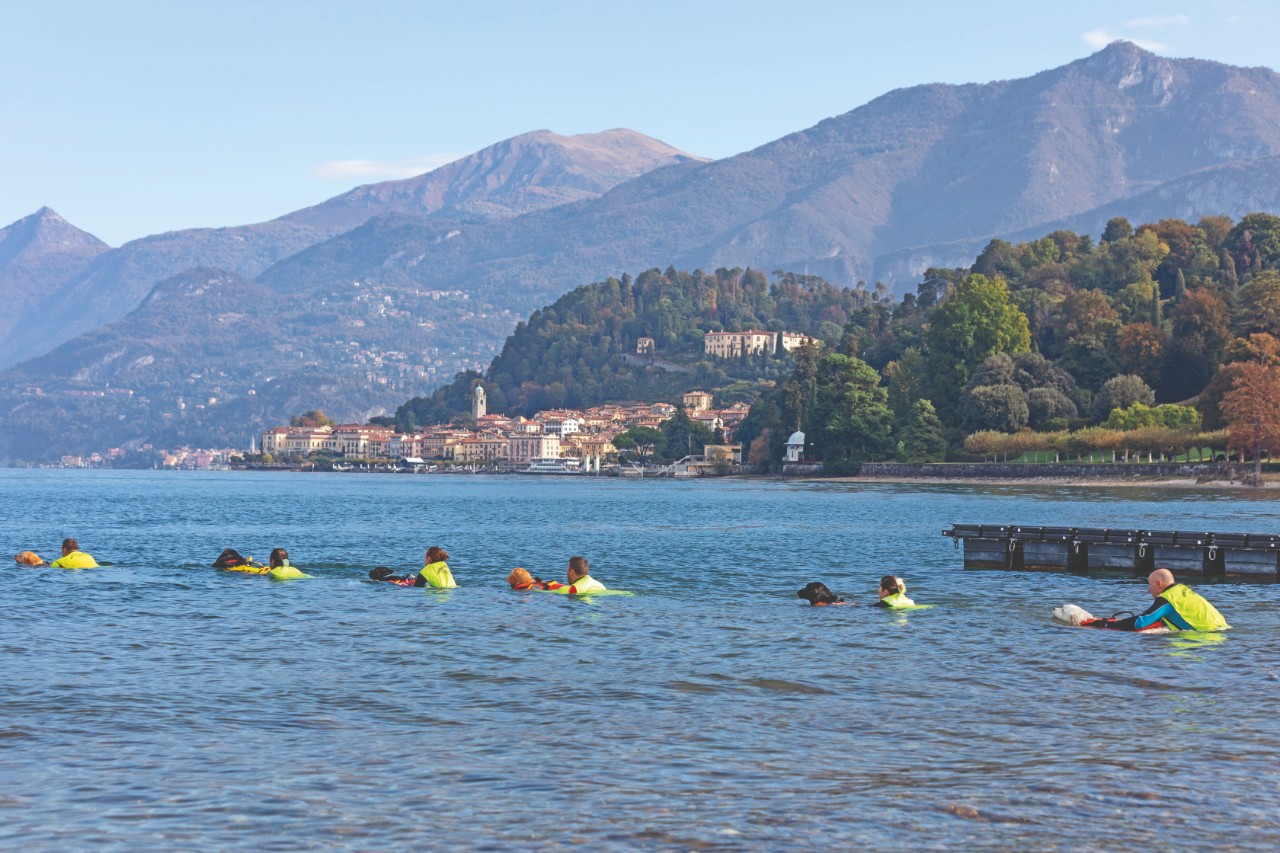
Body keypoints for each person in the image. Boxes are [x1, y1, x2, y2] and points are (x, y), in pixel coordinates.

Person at [1083, 568, 1229, 632]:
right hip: (1222, 630)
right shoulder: (1184, 591)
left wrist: (1104, 624)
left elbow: (1140, 623)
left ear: (1158, 584)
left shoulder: (1167, 598)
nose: (1148, 589)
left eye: (1149, 584)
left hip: (1205, 638)